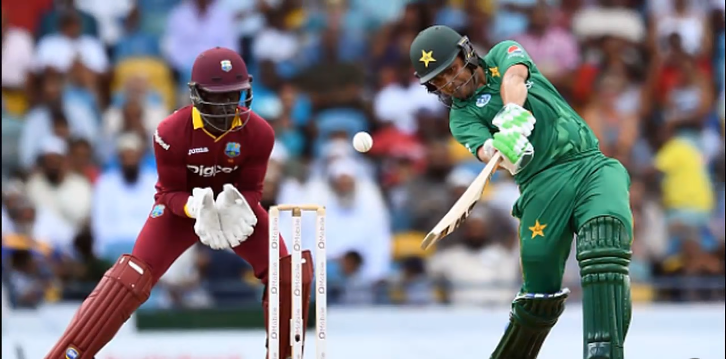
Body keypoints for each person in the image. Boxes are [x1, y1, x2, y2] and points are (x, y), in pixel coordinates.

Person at [44, 47, 313, 359]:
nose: (228, 107)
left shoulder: (260, 133)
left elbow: (253, 189)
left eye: (234, 95)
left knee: (287, 271)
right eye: (218, 96)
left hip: (233, 210)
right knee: (132, 275)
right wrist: (199, 209)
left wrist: (235, 206)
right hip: (181, 212)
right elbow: (169, 193)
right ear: (197, 94)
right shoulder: (170, 131)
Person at [409, 26, 632, 359]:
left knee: (603, 241)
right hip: (539, 186)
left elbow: (515, 79)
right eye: (438, 81)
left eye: (451, 70)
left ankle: (603, 353)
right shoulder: (461, 117)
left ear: (467, 54)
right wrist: (508, 152)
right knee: (538, 295)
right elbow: (488, 154)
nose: (449, 84)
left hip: (588, 165)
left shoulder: (502, 54)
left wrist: (512, 113)